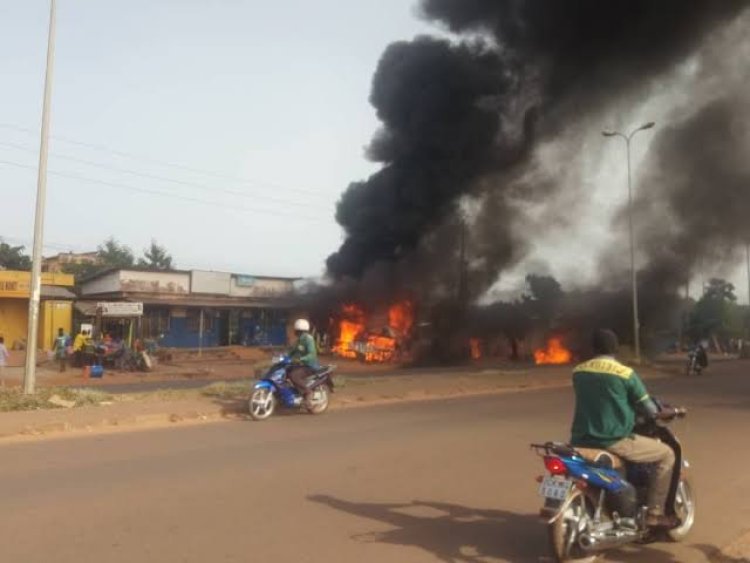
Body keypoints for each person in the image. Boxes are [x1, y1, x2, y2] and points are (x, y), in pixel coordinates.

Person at [570, 329, 679, 529]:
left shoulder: (578, 371)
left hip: (580, 439)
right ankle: (654, 514)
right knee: (667, 454)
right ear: (615, 348)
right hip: (613, 439)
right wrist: (662, 412)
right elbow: (649, 409)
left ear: (593, 347)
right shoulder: (625, 373)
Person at [286, 319, 319, 404]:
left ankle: (308, 392)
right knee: (285, 371)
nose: (294, 331)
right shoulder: (299, 340)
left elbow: (312, 355)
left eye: (295, 330)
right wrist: (284, 356)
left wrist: (301, 359)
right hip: (301, 365)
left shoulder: (308, 339)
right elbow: (292, 351)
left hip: (309, 366)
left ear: (299, 330)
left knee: (294, 375)